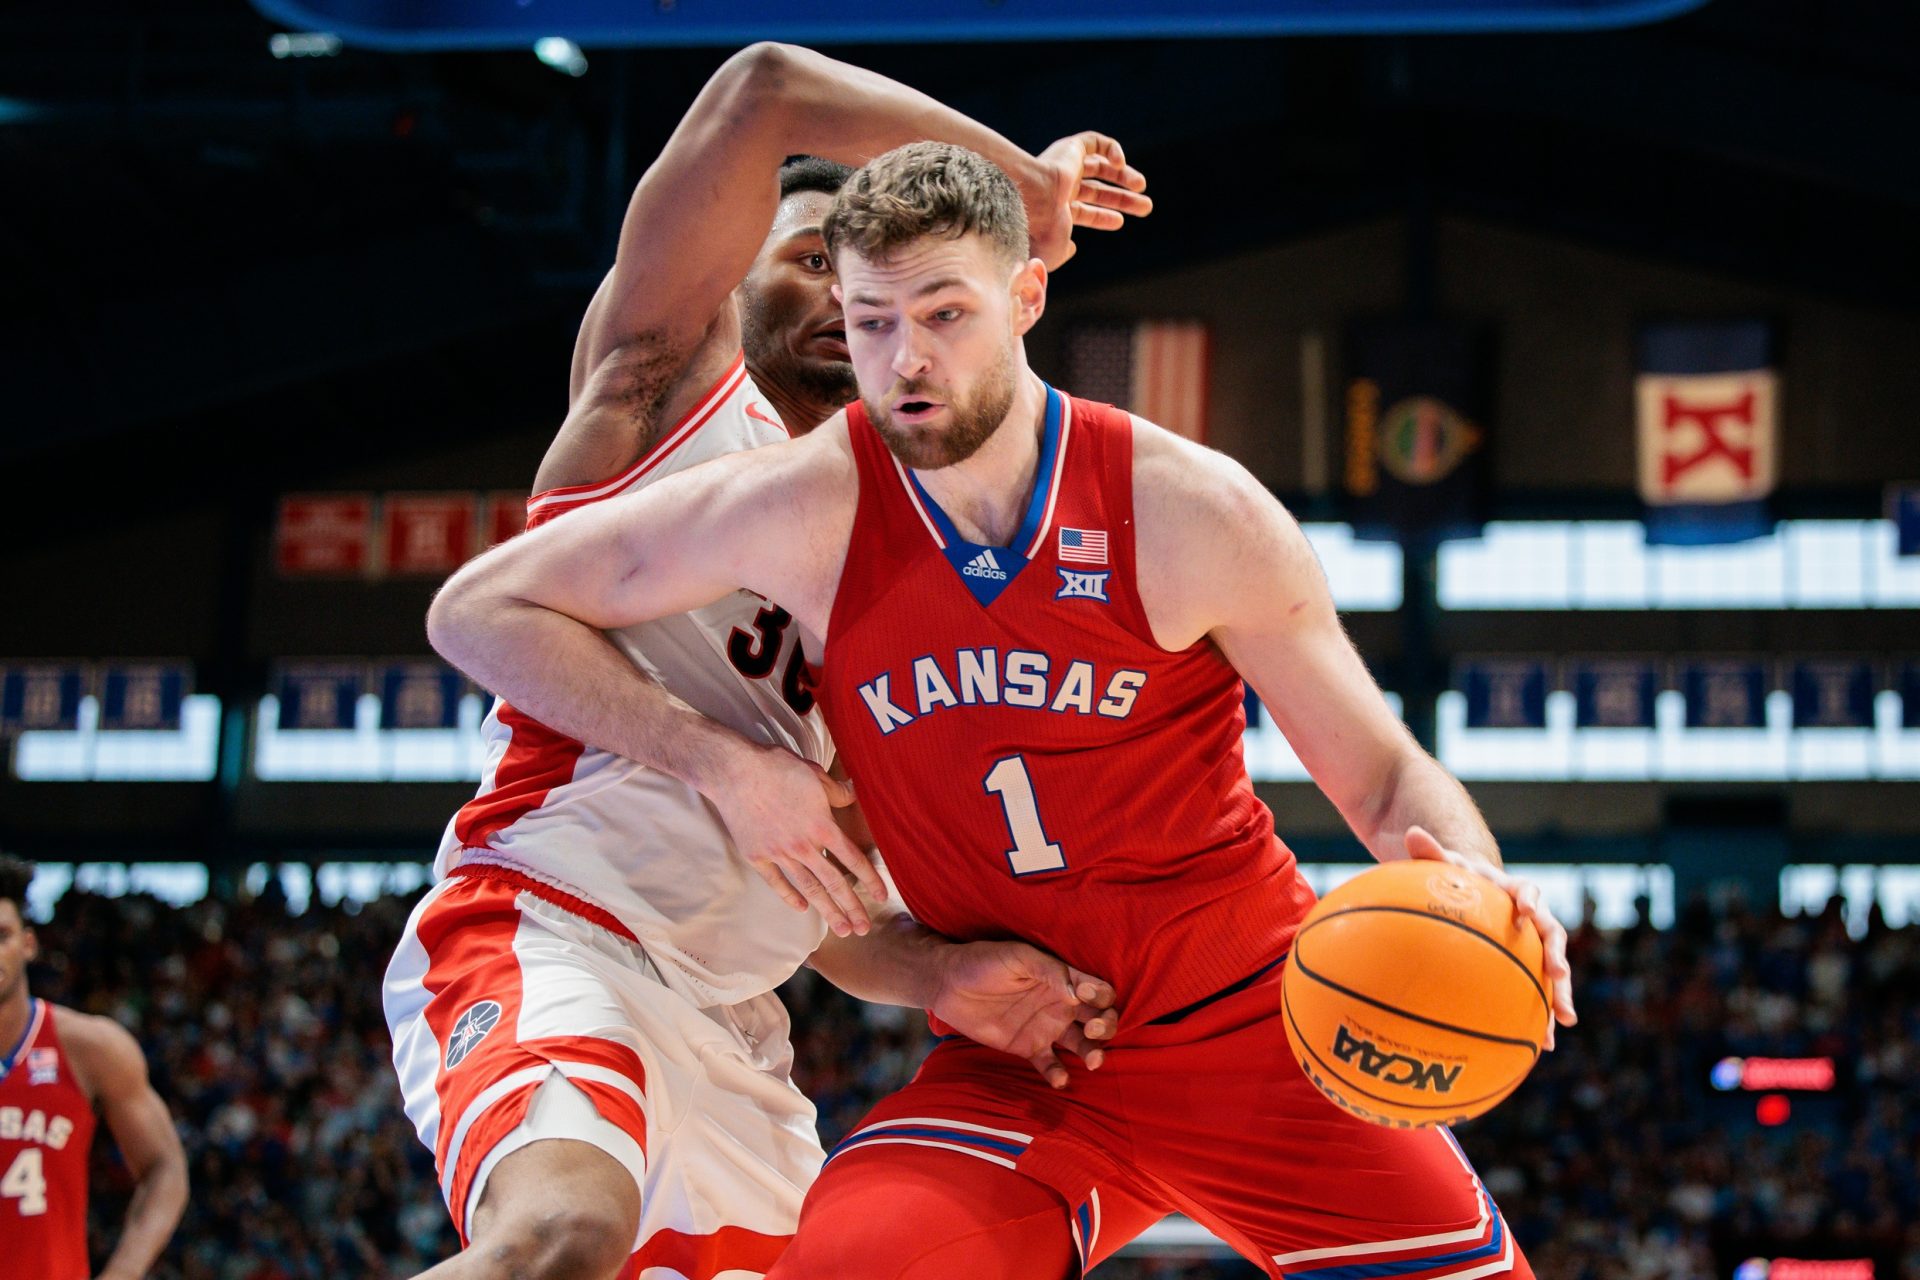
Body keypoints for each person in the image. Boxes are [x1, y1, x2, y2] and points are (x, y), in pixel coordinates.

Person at [427, 140, 1581, 1277]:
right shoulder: (808, 504)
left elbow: (1382, 778)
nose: (905, 361)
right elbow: (480, 608)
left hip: (1251, 1029)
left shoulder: (1186, 509)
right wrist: (722, 763)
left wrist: (1474, 882)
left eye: (944, 314)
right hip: (1029, 1057)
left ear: (1027, 292)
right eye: (873, 321)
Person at [386, 46, 1153, 1280]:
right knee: (559, 1238)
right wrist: (1017, 193)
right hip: (553, 920)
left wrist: (943, 970)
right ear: (725, 280)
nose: (843, 300)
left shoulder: (915, 564)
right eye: (810, 262)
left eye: (868, 288)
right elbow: (759, 89)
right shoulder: (661, 391)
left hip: (734, 1019)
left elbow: (824, 914)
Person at [0, 855, 188, 1280]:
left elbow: (166, 1166)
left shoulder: (90, 1048)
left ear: (28, 944)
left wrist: (122, 1272)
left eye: (2, 935)